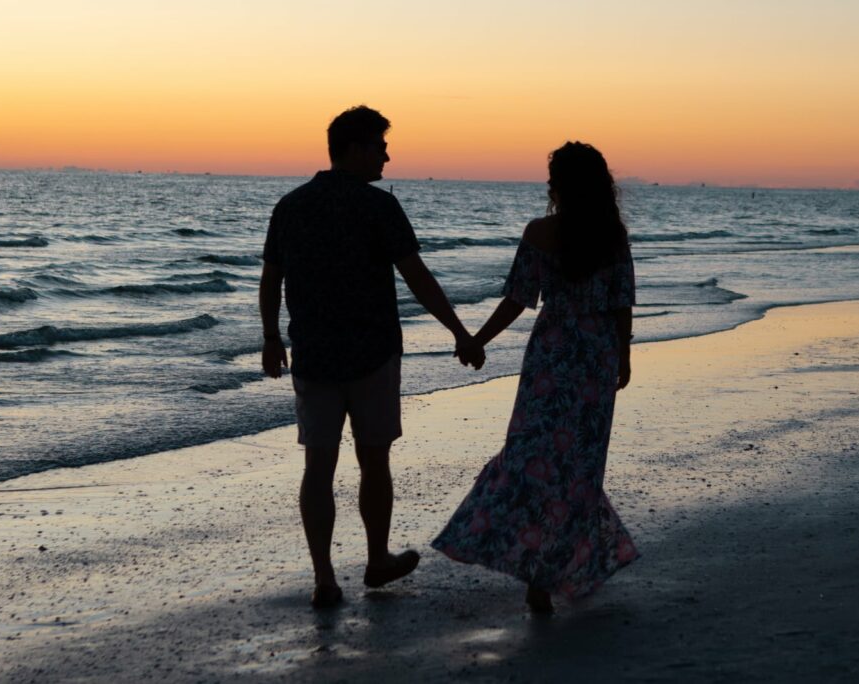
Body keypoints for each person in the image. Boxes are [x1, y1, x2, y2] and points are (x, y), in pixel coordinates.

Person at [259, 105, 482, 609]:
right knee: (373, 459)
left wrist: (272, 337)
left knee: (319, 464)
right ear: (355, 149)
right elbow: (417, 277)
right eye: (380, 146)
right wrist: (461, 333)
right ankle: (377, 559)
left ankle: (325, 579)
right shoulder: (379, 207)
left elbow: (271, 279)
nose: (387, 155)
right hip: (373, 353)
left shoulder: (291, 206)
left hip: (313, 353)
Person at [433, 141, 639, 613]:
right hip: (596, 358)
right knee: (579, 471)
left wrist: (478, 339)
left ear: (561, 186)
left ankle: (536, 574)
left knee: (529, 458)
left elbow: (518, 299)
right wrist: (622, 357)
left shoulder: (540, 233)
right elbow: (620, 301)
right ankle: (552, 572)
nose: (548, 185)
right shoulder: (613, 235)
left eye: (553, 179)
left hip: (551, 356)